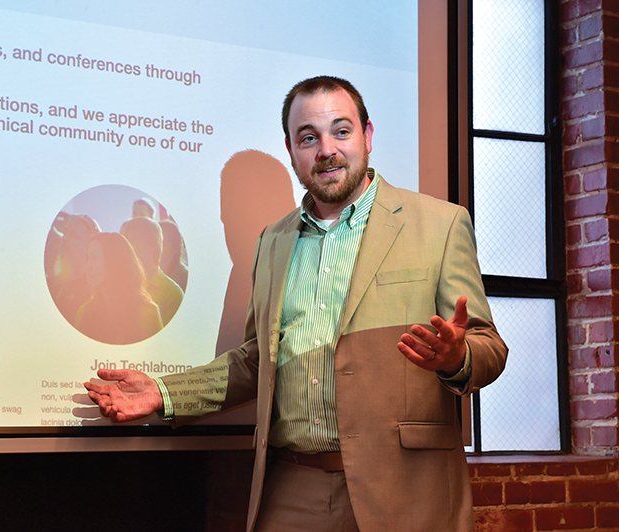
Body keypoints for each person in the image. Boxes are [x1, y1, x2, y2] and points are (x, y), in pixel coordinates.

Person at [78, 76, 508, 532]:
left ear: (368, 135)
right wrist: (163, 394)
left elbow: (489, 347)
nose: (327, 149)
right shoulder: (273, 240)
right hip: (291, 486)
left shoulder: (440, 224)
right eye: (309, 137)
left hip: (404, 490)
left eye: (341, 131)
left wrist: (457, 357)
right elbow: (254, 363)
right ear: (291, 150)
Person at [74, 232, 163, 345]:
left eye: (95, 258)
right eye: (88, 258)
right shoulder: (83, 312)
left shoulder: (146, 313)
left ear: (115, 262)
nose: (88, 265)